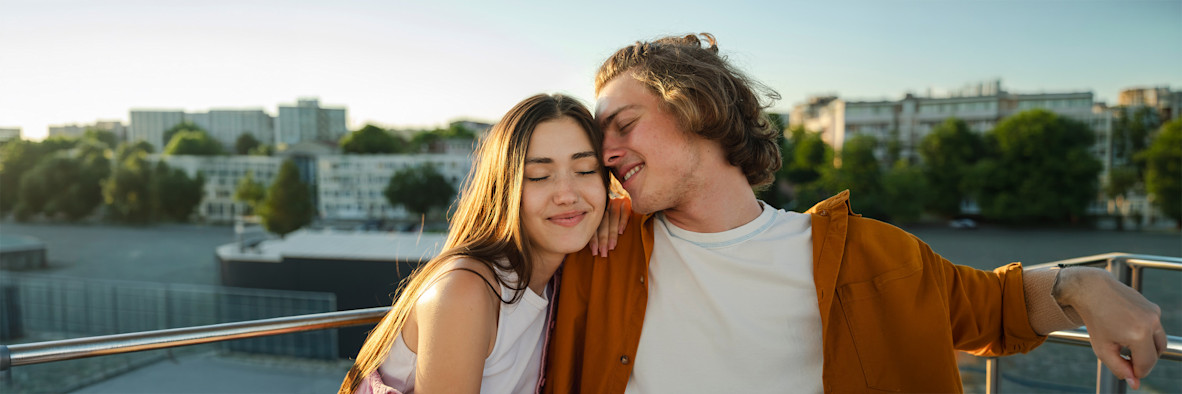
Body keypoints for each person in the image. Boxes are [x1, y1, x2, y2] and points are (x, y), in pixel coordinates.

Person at [543, 33, 1167, 393]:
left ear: (697, 108)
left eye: (622, 125)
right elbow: (485, 270)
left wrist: (1085, 283)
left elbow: (994, 307)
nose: (606, 153)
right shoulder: (597, 252)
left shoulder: (872, 254)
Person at [339, 93, 610, 394]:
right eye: (539, 176)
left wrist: (615, 210)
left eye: (586, 170)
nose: (567, 194)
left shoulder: (562, 278)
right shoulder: (465, 291)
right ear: (503, 188)